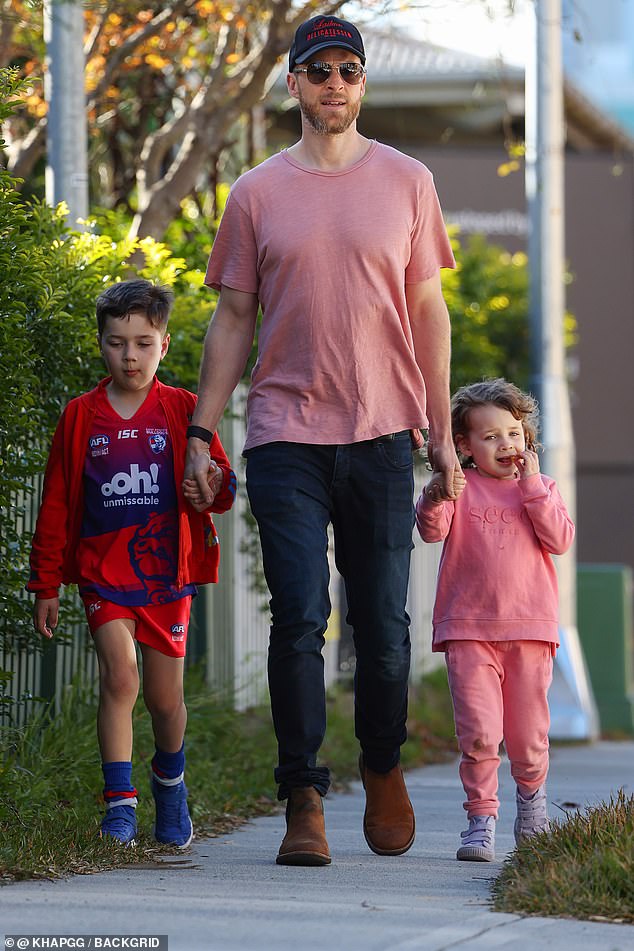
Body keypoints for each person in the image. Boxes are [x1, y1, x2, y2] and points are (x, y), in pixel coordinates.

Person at [183, 14, 459, 866]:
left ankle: (380, 766)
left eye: (349, 69)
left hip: (382, 433)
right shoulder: (256, 192)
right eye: (319, 70)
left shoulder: (409, 181)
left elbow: (427, 312)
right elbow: (234, 316)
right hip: (283, 435)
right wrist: (201, 428)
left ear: (362, 83)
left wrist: (443, 436)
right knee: (300, 614)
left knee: (381, 624)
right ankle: (303, 794)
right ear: (294, 85)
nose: (335, 82)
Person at [27, 279, 236, 847]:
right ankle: (119, 804)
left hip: (167, 576)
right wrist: (46, 581)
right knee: (119, 679)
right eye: (118, 343)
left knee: (165, 700)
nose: (130, 355)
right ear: (101, 344)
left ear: (163, 345)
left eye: (143, 343)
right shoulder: (79, 417)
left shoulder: (185, 410)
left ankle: (171, 784)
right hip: (103, 575)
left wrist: (213, 485)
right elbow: (57, 504)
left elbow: (219, 484)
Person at [415, 378, 575, 862]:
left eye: (514, 433)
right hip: (468, 629)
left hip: (530, 630)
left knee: (528, 736)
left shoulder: (540, 488)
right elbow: (430, 530)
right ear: (464, 446)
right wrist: (439, 490)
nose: (507, 444)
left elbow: (559, 540)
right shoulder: (460, 489)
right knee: (480, 733)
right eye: (491, 437)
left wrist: (531, 485)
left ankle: (532, 811)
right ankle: (480, 820)